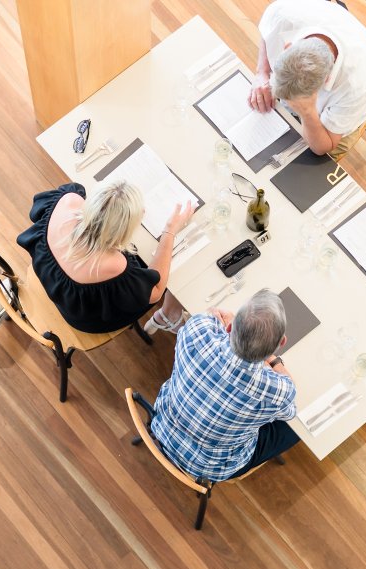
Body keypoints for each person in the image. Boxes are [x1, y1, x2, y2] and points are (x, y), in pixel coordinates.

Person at [151, 290, 300, 482]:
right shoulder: (277, 391)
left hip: (163, 422)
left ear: (230, 328)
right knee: (294, 429)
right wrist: (273, 360)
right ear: (282, 343)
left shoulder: (197, 329)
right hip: (208, 468)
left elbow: (211, 314)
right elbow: (289, 407)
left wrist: (229, 323)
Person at [17, 180, 194, 334]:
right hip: (87, 317)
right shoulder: (114, 265)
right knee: (170, 263)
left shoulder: (68, 200)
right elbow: (155, 291)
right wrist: (170, 230)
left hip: (53, 284)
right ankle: (170, 314)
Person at [248, 0, 366, 159]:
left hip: (335, 126)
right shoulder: (284, 13)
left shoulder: (356, 85)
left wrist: (308, 112)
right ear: (288, 47)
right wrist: (262, 72)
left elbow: (323, 146)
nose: (283, 100)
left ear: (326, 80)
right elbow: (267, 30)